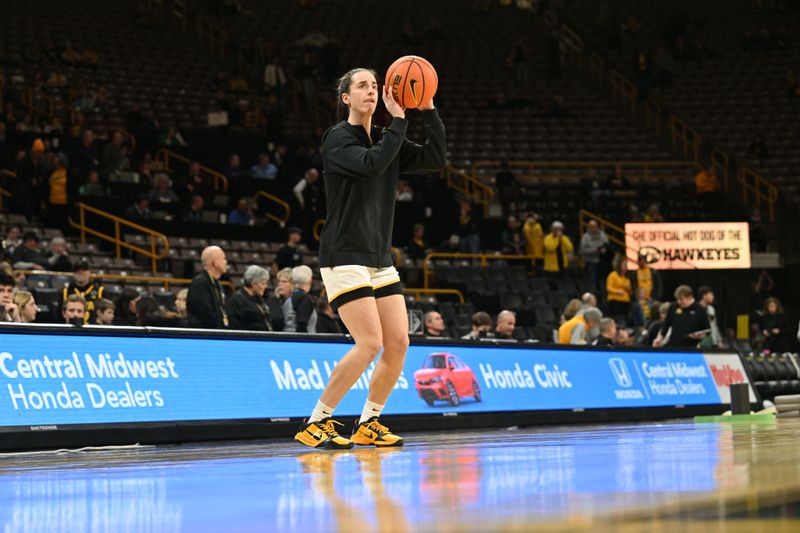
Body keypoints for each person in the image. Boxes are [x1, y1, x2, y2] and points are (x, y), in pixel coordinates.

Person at [295, 67, 446, 450]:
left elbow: (435, 157)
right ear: (345, 97)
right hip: (343, 254)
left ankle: (369, 422)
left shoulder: (385, 137)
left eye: (375, 85)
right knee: (369, 343)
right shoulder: (338, 137)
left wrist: (426, 111)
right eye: (362, 85)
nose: (372, 90)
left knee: (398, 343)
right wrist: (398, 121)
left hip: (378, 256)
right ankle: (316, 421)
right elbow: (371, 164)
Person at [187, 246, 229, 329]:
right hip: (204, 337)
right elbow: (206, 316)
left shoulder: (217, 283)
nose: (226, 262)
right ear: (214, 263)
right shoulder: (200, 284)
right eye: (223, 258)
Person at [227, 265, 272, 331]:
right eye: (263, 283)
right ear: (253, 284)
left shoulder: (258, 297)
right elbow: (235, 326)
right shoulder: (237, 299)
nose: (266, 286)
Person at [61, 260, 104, 324]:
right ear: (74, 273)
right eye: (77, 270)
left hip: (94, 330)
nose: (81, 272)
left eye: (84, 269)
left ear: (89, 272)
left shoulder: (100, 291)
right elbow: (59, 316)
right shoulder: (65, 291)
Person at [283, 265, 317, 333]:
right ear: (310, 280)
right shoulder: (304, 299)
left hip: (288, 338)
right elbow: (302, 325)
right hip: (302, 341)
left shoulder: (289, 298)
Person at [579, 220, 609, 292]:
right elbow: (582, 251)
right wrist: (596, 250)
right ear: (588, 227)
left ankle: (602, 297)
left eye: (594, 226)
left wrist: (604, 250)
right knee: (591, 282)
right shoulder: (585, 237)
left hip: (602, 262)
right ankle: (592, 296)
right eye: (591, 226)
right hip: (591, 262)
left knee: (603, 281)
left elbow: (607, 245)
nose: (593, 228)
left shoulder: (602, 235)